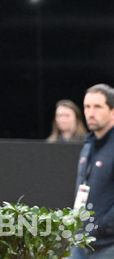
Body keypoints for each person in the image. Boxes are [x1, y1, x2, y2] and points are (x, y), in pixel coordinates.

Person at [70, 84, 114, 259]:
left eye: (97, 107)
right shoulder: (88, 145)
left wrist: (103, 227)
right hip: (81, 242)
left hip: (108, 246)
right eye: (87, 106)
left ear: (112, 111)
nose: (90, 112)